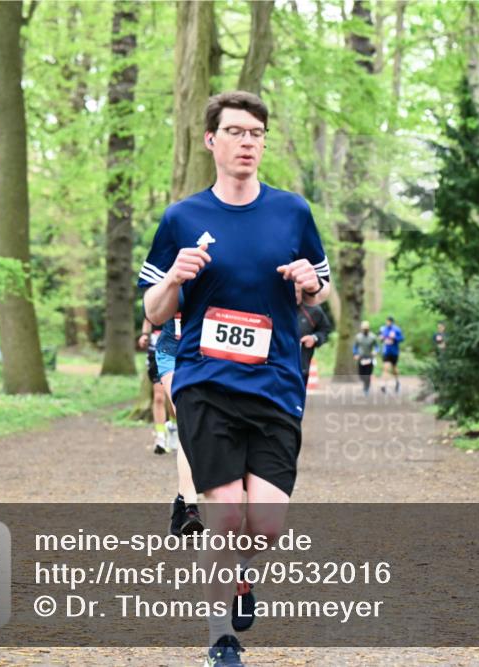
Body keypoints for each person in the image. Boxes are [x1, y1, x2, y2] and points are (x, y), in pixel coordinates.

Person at [139, 91, 331, 667]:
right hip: (206, 383)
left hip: (275, 383)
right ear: (211, 141)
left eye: (256, 133)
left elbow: (325, 296)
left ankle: (242, 578)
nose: (248, 142)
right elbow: (151, 312)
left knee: (265, 525)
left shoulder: (293, 212)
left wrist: (311, 283)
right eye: (237, 132)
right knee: (225, 517)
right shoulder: (182, 218)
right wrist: (174, 276)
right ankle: (220, 637)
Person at [150, 309, 205, 538]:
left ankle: (182, 502)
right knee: (188, 419)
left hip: (210, 354)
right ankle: (191, 508)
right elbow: (152, 311)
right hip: (172, 351)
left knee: (201, 429)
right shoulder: (171, 272)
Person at [138, 316, 171, 454]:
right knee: (159, 397)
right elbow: (148, 317)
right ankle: (161, 437)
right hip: (156, 350)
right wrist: (144, 335)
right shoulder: (152, 294)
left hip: (177, 348)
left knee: (173, 397)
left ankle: (174, 429)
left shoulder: (185, 294)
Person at [296, 284, 333, 387]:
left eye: (297, 291)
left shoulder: (313, 310)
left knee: (297, 401)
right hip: (277, 367)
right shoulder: (276, 309)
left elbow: (325, 330)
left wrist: (314, 338)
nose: (294, 295)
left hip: (301, 367)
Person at [378, 316, 404, 393]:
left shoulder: (396, 329)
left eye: (389, 321)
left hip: (394, 352)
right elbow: (380, 337)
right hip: (386, 352)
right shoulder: (383, 329)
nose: (387, 323)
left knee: (394, 368)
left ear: (392, 322)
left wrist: (395, 337)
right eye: (386, 321)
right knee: (385, 368)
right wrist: (381, 338)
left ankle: (397, 382)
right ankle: (383, 385)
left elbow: (402, 338)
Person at [352, 320, 378, 395]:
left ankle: (366, 387)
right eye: (363, 329)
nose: (365, 330)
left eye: (366, 329)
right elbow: (355, 347)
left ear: (368, 329)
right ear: (361, 329)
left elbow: (377, 347)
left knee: (368, 374)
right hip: (361, 358)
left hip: (369, 357)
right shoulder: (358, 337)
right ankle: (365, 383)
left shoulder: (373, 337)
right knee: (361, 374)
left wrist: (375, 351)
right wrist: (355, 354)